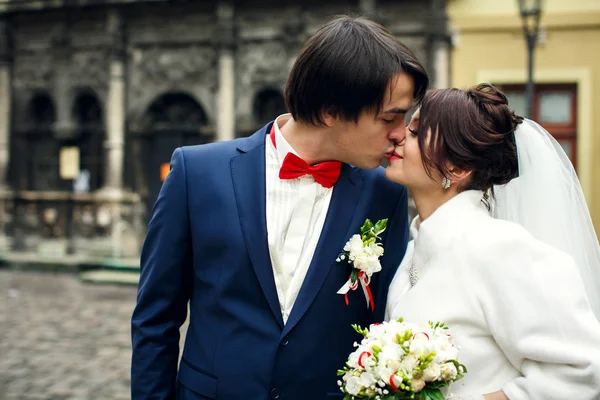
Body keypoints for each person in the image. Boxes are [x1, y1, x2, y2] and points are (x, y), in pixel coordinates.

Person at [131, 15, 429, 400]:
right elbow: (156, 319)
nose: (400, 133)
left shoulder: (383, 192)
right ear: (329, 111)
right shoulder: (197, 173)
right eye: (390, 117)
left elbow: (382, 325)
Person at [384, 83, 600, 400]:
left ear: (456, 168)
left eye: (416, 132)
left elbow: (583, 371)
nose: (399, 136)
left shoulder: (500, 248)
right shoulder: (416, 248)